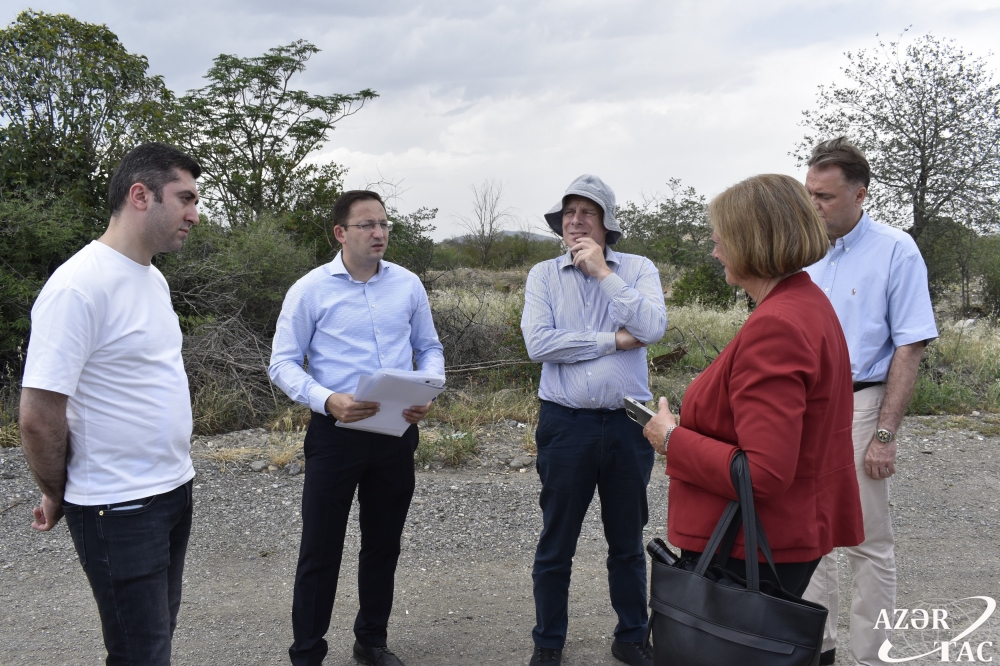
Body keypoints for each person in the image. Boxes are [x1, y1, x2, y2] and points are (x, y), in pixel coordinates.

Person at [19, 142, 202, 666]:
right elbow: (38, 416)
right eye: (185, 198)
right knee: (140, 653)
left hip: (172, 490)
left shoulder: (153, 277)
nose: (194, 214)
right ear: (141, 196)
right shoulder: (77, 287)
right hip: (118, 506)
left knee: (156, 638)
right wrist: (57, 491)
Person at [642, 174, 865, 599]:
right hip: (773, 537)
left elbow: (763, 473)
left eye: (721, 240)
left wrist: (671, 439)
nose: (715, 251)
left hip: (750, 546)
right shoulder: (806, 303)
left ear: (751, 243)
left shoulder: (778, 325)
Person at [268, 190, 444, 666]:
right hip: (336, 434)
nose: (379, 232)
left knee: (383, 544)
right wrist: (327, 400)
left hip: (397, 431)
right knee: (320, 549)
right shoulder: (310, 289)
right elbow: (282, 363)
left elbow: (429, 347)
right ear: (340, 233)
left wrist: (428, 388)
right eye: (367, 224)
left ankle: (371, 640)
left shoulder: (407, 285)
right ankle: (307, 651)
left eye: (383, 223)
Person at [801, 137, 938, 666]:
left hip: (861, 403)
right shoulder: (803, 252)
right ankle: (815, 648)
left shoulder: (895, 249)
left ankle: (871, 657)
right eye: (810, 194)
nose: (814, 205)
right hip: (806, 406)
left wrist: (885, 435)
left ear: (860, 195)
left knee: (866, 540)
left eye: (825, 196)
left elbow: (910, 343)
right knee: (808, 532)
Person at [520, 174, 667, 666]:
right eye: (569, 213)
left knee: (626, 541)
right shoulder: (544, 275)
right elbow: (539, 344)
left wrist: (605, 273)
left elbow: (652, 328)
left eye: (588, 212)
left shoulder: (638, 269)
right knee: (556, 540)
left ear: (607, 224)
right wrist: (614, 340)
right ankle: (548, 642)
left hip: (629, 426)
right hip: (566, 425)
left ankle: (631, 637)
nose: (576, 221)